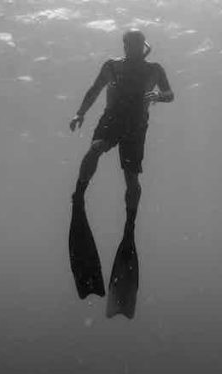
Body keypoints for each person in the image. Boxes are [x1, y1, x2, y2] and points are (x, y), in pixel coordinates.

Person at [67, 28, 174, 318]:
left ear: (143, 45)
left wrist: (158, 96)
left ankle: (130, 222)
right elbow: (93, 90)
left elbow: (170, 93)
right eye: (129, 42)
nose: (133, 46)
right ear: (124, 44)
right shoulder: (111, 65)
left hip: (136, 126)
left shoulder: (155, 69)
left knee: (131, 179)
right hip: (111, 119)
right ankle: (79, 194)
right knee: (95, 149)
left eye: (138, 43)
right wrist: (80, 113)